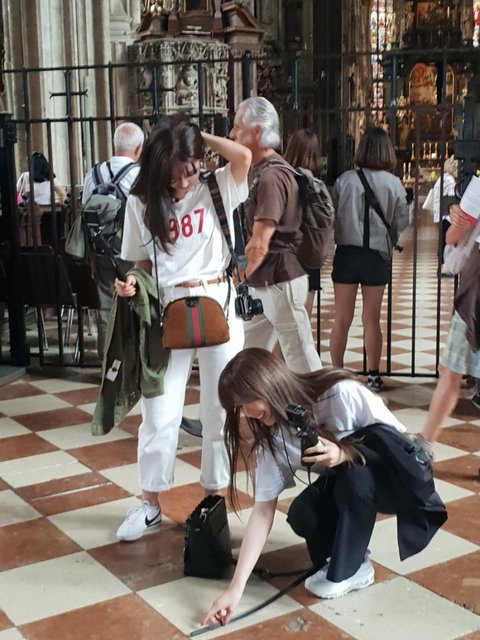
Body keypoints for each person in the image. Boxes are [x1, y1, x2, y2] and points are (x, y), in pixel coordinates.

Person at [203, 348, 446, 626]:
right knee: (302, 513)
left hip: (391, 480)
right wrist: (235, 590)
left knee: (355, 477)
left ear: (269, 384)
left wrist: (345, 453)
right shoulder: (272, 440)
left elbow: (399, 444)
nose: (248, 413)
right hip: (344, 484)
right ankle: (348, 556)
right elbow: (262, 512)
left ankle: (351, 569)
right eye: (240, 406)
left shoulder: (339, 394)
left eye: (249, 401)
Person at [114, 114, 251, 542]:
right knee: (159, 411)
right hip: (167, 310)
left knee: (219, 409)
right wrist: (131, 282)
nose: (181, 184)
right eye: (172, 176)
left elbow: (244, 156)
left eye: (188, 172)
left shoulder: (217, 185)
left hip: (217, 306)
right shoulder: (141, 202)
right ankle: (150, 503)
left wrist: (191, 137)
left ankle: (213, 497)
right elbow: (139, 262)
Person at [229, 97, 322, 373]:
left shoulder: (271, 177)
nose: (232, 134)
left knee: (301, 358)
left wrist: (237, 278)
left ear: (257, 131)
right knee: (246, 354)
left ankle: (324, 400)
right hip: (265, 280)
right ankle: (242, 398)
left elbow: (259, 243)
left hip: (280, 279)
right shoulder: (261, 170)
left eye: (238, 127)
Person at [329, 126, 409, 390]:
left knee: (342, 318)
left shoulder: (345, 180)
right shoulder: (394, 183)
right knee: (371, 318)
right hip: (376, 256)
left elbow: (332, 214)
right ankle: (373, 375)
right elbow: (402, 221)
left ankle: (337, 373)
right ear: (387, 151)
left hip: (346, 254)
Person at [82, 122, 145, 360]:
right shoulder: (140, 175)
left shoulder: (93, 174)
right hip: (133, 252)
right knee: (139, 303)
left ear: (114, 145)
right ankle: (135, 360)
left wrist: (91, 258)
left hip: (101, 251)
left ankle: (108, 362)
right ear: (138, 149)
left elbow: (85, 215)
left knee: (107, 307)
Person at [422, 204, 480, 444]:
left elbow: (453, 235)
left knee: (450, 370)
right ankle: (425, 441)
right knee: (450, 370)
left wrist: (459, 218)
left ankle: (425, 443)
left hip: (476, 289)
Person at [283, 128, 333, 318]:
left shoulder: (281, 180)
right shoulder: (317, 186)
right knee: (303, 319)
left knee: (281, 320)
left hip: (284, 255)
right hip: (310, 252)